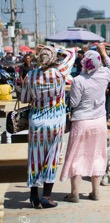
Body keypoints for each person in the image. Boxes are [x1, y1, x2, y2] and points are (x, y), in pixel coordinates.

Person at [60, 44, 110, 203]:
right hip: (99, 122)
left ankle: (74, 194)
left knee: (76, 156)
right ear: (98, 62)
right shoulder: (104, 74)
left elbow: (74, 102)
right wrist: (104, 52)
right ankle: (95, 192)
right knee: (97, 155)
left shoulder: (78, 80)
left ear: (84, 63)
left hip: (81, 122)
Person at [21, 45, 75, 208]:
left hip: (36, 121)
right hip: (55, 122)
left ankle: (33, 196)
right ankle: (46, 196)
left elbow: (24, 99)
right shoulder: (60, 73)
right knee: (51, 157)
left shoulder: (30, 75)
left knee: (34, 157)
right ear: (53, 59)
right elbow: (71, 53)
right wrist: (52, 47)